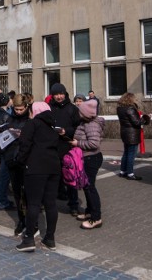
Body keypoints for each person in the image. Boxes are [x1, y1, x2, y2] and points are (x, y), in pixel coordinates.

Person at [15, 102, 60, 252]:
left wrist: (20, 161)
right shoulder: (52, 125)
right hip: (53, 167)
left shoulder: (32, 124)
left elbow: (24, 145)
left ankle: (28, 239)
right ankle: (50, 238)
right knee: (51, 203)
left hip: (35, 167)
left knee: (33, 203)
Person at [48, 83, 83, 217]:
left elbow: (78, 128)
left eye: (61, 94)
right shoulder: (49, 108)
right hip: (52, 147)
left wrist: (66, 131)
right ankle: (51, 201)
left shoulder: (72, 109)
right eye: (56, 94)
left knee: (70, 176)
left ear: (65, 93)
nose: (59, 97)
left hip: (68, 146)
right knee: (53, 177)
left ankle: (73, 204)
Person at [71, 99, 105, 229]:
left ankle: (96, 218)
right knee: (86, 186)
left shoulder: (91, 124)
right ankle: (90, 211)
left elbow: (94, 143)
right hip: (87, 157)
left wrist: (77, 143)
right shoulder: (85, 122)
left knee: (90, 188)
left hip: (91, 158)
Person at [4, 93, 33, 236]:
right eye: (16, 109)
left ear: (26, 107)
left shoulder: (31, 119)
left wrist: (24, 135)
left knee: (28, 193)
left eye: (21, 109)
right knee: (17, 193)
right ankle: (21, 221)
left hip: (26, 160)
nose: (19, 112)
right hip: (12, 159)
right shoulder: (10, 119)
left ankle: (30, 222)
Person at [117, 93, 151, 181]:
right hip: (132, 134)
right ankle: (130, 173)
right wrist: (146, 117)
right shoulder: (130, 109)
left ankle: (122, 171)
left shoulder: (120, 108)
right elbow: (137, 122)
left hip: (124, 132)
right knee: (131, 154)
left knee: (126, 153)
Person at [0, 92, 15, 211]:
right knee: (4, 175)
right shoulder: (6, 116)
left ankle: (2, 199)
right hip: (6, 147)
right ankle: (2, 201)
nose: (12, 101)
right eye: (10, 99)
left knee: (3, 174)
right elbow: (7, 133)